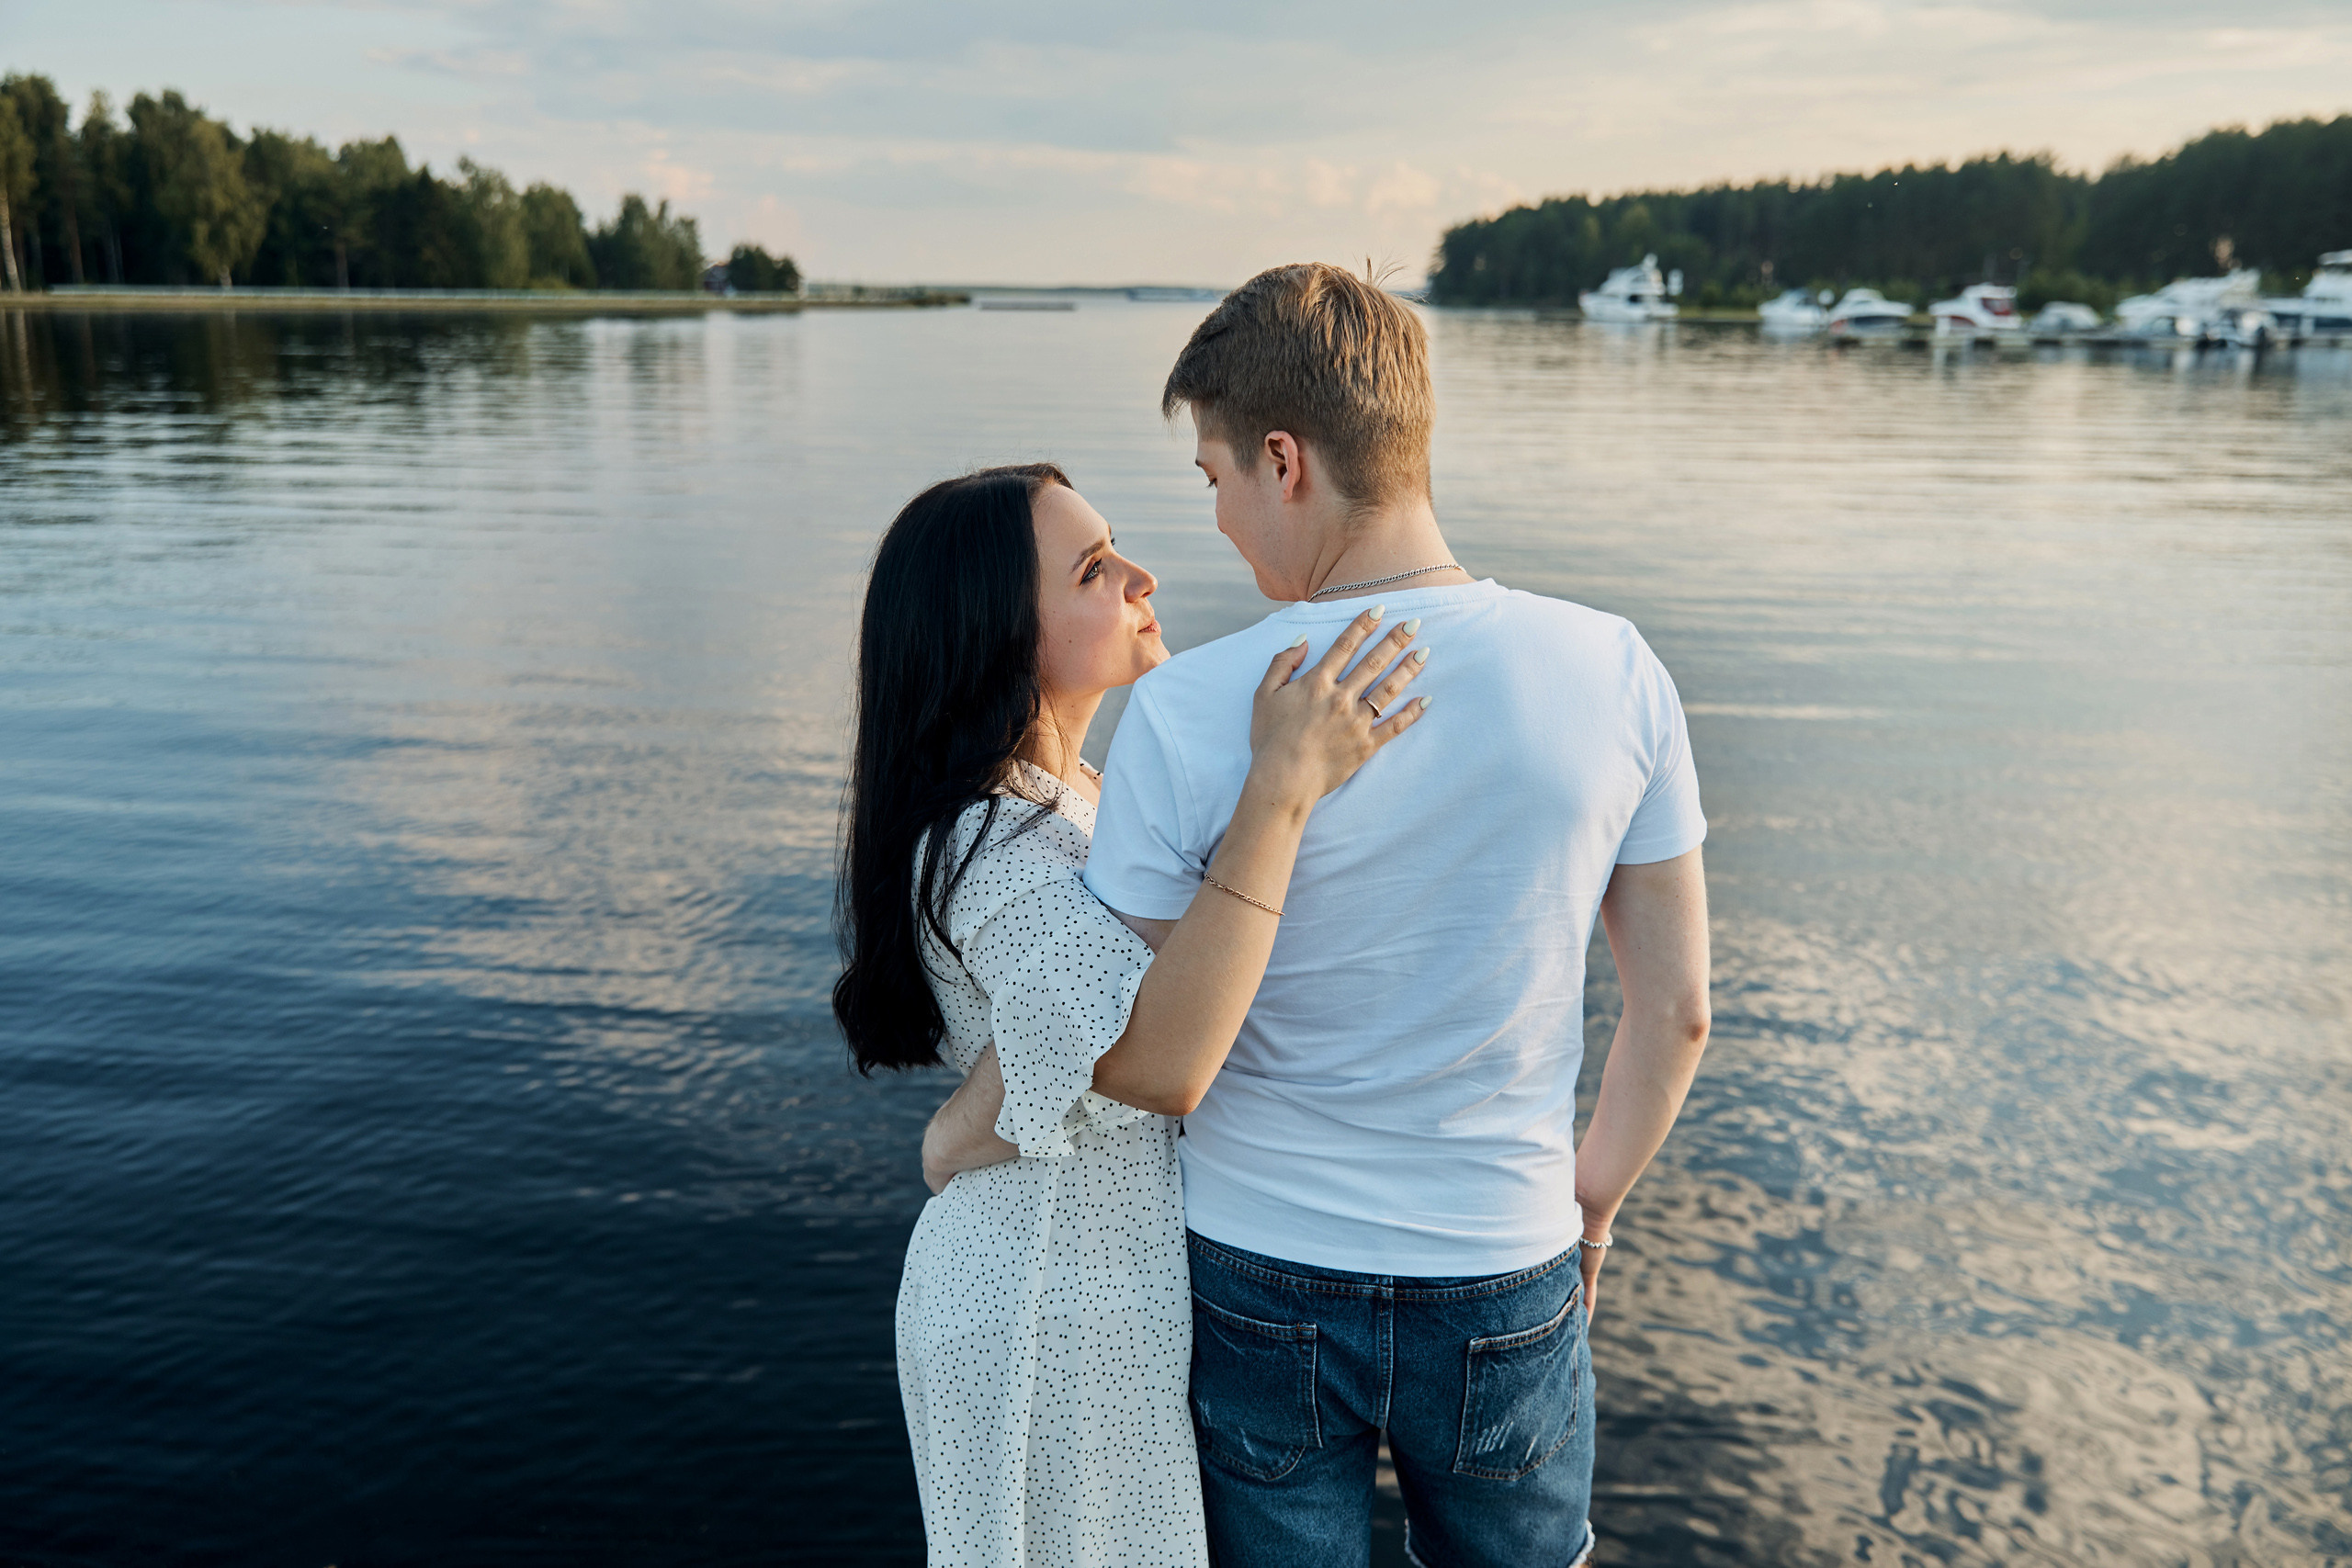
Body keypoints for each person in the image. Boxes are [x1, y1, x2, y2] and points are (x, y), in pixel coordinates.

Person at [1078, 264, 1714, 1567]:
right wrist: (1590, 1208)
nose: (1216, 518)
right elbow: (1678, 1013)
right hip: (1505, 1263)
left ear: (1283, 461)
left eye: (1213, 478)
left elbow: (1134, 1046)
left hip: (1258, 1268)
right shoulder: (1613, 669)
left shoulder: (1189, 707)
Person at [832, 462, 1430, 1568]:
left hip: (1104, 1285)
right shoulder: (987, 843)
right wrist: (1279, 788)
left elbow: (1073, 1026)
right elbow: (1160, 1058)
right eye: (1093, 569)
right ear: (1000, 636)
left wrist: (957, 1130)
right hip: (1042, 1304)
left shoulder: (1081, 801)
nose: (1140, 576)